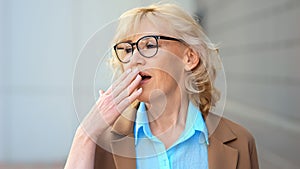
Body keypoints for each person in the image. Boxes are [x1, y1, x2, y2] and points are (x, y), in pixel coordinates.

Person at [64, 3, 259, 169]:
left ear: (189, 57)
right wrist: (84, 136)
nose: (133, 60)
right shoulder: (101, 143)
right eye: (127, 49)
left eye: (149, 45)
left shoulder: (240, 141)